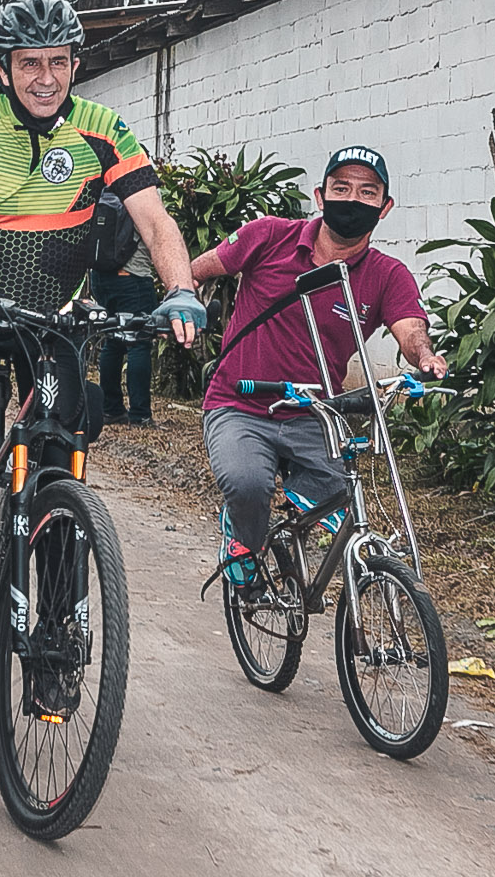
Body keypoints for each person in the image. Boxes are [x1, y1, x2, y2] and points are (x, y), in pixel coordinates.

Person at [0, 0, 204, 549]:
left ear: (75, 63)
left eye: (58, 61)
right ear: (3, 69)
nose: (46, 78)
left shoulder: (102, 128)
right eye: (30, 63)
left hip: (54, 316)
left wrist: (181, 289)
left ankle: (57, 612)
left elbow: (155, 220)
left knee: (65, 450)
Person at [190, 144, 448, 589]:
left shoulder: (387, 274)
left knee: (343, 501)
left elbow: (410, 329)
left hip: (313, 411)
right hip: (239, 403)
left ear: (384, 208)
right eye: (341, 188)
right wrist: (183, 305)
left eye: (367, 192)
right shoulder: (268, 236)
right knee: (249, 485)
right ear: (319, 195)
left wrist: (425, 356)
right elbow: (199, 269)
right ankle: (243, 539)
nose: (353, 200)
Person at [91, 230, 158, 426]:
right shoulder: (145, 198)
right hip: (133, 276)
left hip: (101, 276)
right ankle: (140, 413)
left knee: (112, 342)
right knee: (139, 342)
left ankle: (111, 409)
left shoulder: (103, 196)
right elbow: (156, 231)